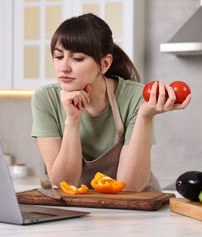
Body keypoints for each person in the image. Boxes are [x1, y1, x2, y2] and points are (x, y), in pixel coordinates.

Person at [30, 13, 191, 192]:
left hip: (136, 210)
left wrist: (145, 116)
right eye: (59, 56)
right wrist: (72, 121)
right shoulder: (45, 100)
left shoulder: (136, 96)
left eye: (77, 58)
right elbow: (64, 184)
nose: (63, 67)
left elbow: (130, 187)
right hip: (83, 208)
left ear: (104, 63)